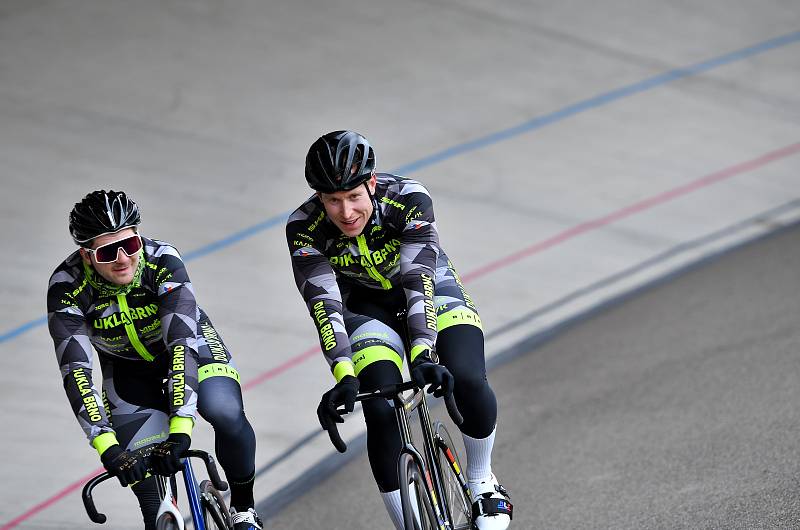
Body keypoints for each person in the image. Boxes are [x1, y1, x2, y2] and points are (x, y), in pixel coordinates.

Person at [286, 130, 513, 529]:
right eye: (333, 201)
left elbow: (418, 278)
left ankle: (482, 482)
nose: (346, 212)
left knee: (465, 376)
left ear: (372, 184)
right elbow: (325, 305)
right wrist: (343, 374)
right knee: (379, 406)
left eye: (354, 196)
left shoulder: (408, 198)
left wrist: (424, 352)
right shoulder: (304, 227)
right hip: (364, 309)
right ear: (319, 198)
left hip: (428, 289)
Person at [47, 190, 263, 530]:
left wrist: (181, 431)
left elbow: (181, 344)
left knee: (223, 411)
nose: (122, 259)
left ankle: (243, 508)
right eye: (107, 251)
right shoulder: (67, 287)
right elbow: (76, 371)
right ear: (86, 256)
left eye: (130, 245)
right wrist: (109, 448)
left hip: (189, 346)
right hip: (128, 369)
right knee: (147, 486)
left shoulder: (162, 259)